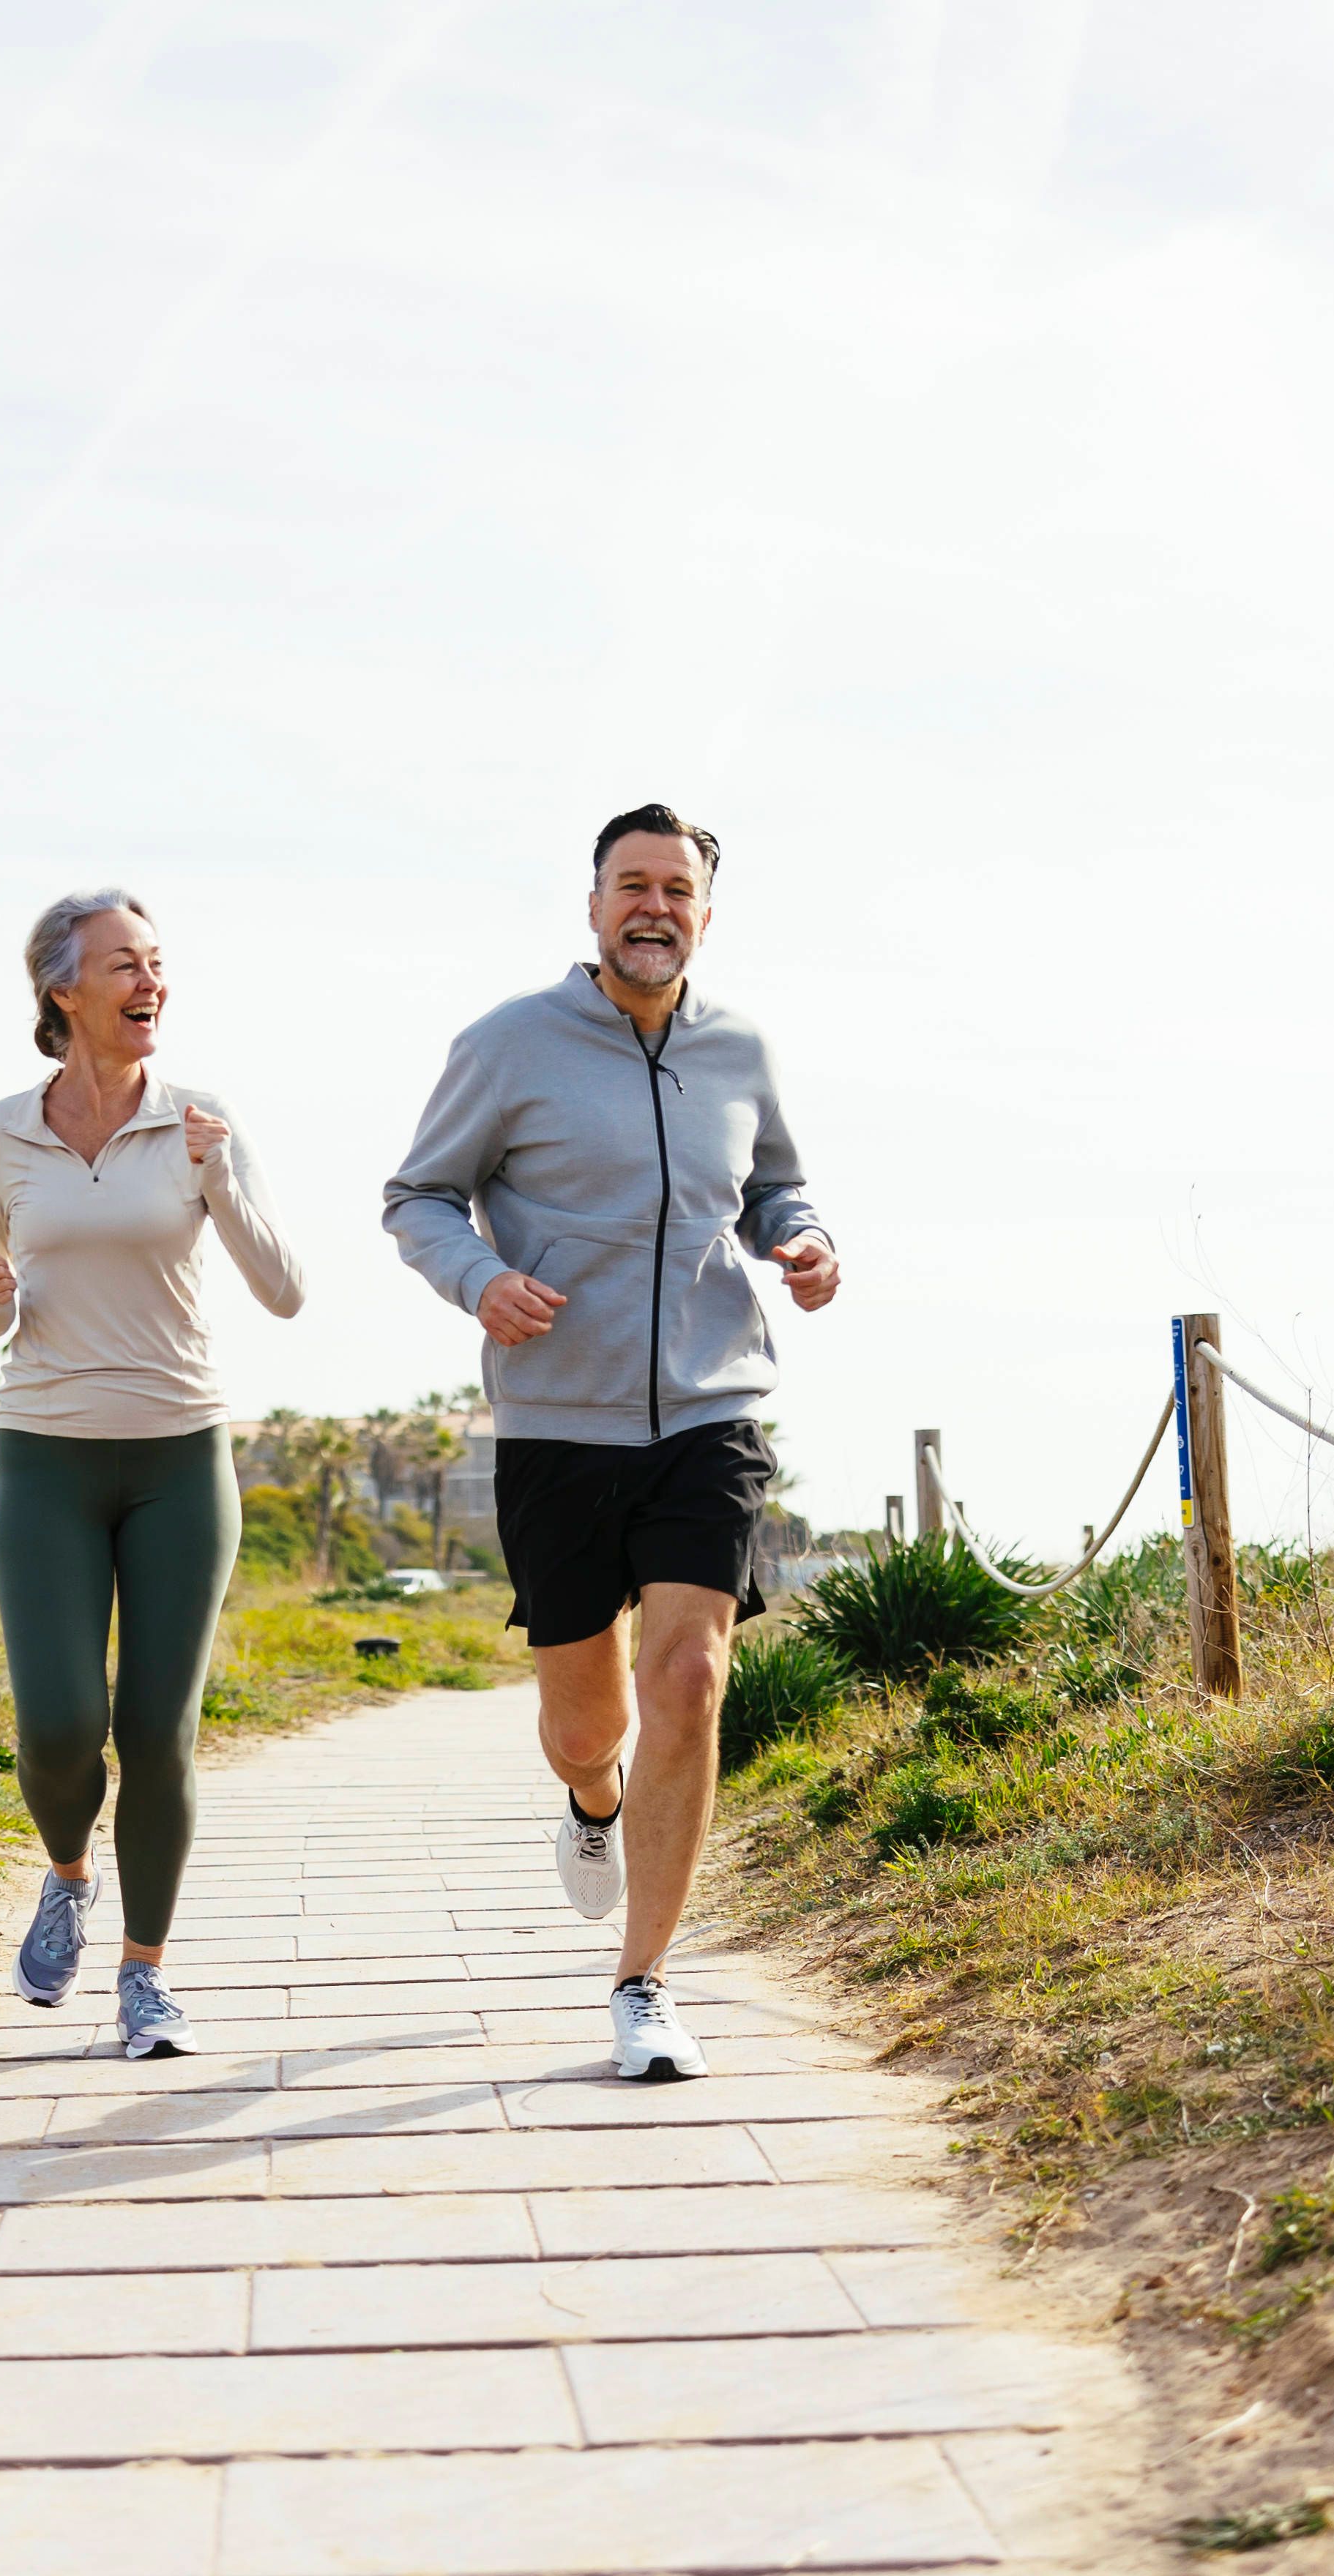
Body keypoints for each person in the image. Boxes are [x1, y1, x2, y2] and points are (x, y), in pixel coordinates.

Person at [383, 805, 838, 2079]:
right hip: (558, 1423)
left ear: (704, 911)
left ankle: (644, 1980)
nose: (654, 907)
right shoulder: (510, 1044)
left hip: (712, 1404)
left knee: (690, 1678)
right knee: (588, 1724)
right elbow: (417, 1195)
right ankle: (593, 1803)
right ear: (592, 907)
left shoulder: (740, 1047)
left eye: (676, 889)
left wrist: (802, 1241)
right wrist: (479, 1279)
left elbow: (772, 1189)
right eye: (630, 885)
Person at [0, 890, 303, 2058]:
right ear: (65, 991)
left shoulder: (204, 1122)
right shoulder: (0, 1132)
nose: (150, 982)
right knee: (60, 1728)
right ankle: (67, 1874)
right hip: (48, 1454)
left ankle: (145, 1977)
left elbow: (285, 1287)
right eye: (124, 965)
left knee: (157, 1730)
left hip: (179, 1454)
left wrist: (223, 1182)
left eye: (158, 963)